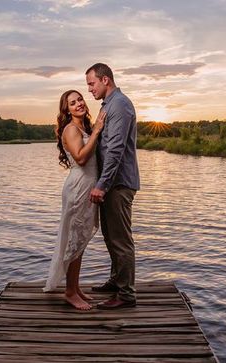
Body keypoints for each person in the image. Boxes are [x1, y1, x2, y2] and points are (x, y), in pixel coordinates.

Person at [43, 90, 106, 310]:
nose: (79, 103)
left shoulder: (83, 127)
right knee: (74, 239)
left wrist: (95, 129)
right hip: (79, 188)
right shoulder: (71, 129)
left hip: (87, 185)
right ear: (66, 109)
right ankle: (70, 292)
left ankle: (75, 287)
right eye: (72, 102)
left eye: (80, 99)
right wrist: (97, 131)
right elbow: (80, 158)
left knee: (79, 239)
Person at [86, 63, 140, 310]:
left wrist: (102, 185)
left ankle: (126, 295)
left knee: (120, 240)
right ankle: (117, 281)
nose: (89, 89)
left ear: (105, 80)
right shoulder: (109, 105)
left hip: (117, 184)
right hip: (112, 183)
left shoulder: (119, 105)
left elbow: (115, 149)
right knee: (110, 236)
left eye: (91, 83)